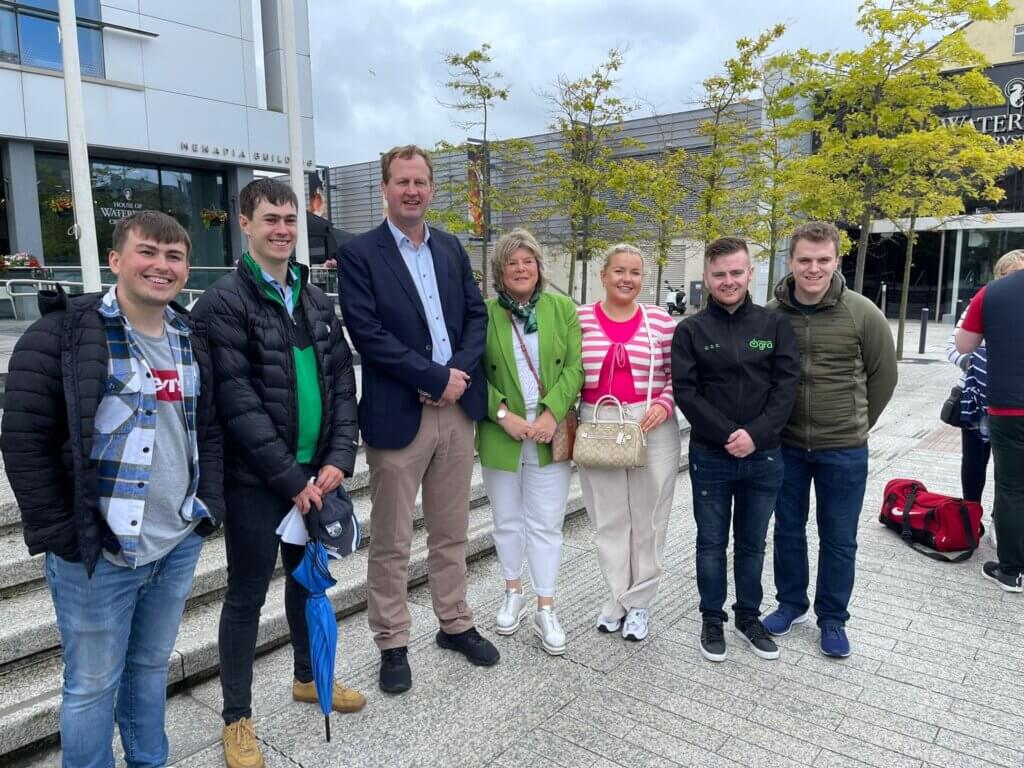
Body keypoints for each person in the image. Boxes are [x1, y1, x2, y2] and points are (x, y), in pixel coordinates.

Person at [0, 211, 224, 768]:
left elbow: (210, 429)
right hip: (98, 554)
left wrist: (206, 509)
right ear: (116, 261)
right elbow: (24, 440)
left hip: (174, 540)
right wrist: (64, 536)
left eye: (174, 256)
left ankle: (150, 761)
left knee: (150, 669)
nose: (161, 265)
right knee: (92, 685)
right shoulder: (63, 334)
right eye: (147, 252)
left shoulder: (188, 335)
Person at [192, 178, 364, 768]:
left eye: (290, 219)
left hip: (317, 475)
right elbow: (235, 405)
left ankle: (307, 677)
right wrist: (291, 481)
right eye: (271, 219)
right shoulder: (221, 304)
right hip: (257, 483)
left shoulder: (316, 301)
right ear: (245, 223)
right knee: (244, 596)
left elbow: (343, 383)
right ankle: (236, 719)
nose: (283, 229)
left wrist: (339, 458)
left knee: (306, 582)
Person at [338, 145, 495, 694]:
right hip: (399, 413)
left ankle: (454, 622)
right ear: (385, 188)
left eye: (420, 181)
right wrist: (430, 377)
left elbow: (477, 317)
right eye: (401, 181)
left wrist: (452, 374)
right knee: (392, 538)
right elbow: (367, 332)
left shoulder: (450, 247)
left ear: (431, 189)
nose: (412, 190)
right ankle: (392, 639)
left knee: (451, 529)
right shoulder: (359, 254)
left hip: (456, 410)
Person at [764, 221, 897, 658]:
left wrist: (857, 423)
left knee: (839, 538)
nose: (814, 269)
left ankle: (833, 618)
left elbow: (883, 376)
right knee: (788, 530)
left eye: (823, 260)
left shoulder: (862, 313)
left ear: (836, 261)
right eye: (805, 260)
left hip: (843, 449)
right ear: (791, 261)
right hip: (786, 447)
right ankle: (790, 603)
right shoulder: (771, 314)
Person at [672, 237, 800, 663]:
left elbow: (786, 387)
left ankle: (748, 616)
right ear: (706, 277)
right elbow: (687, 393)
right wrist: (730, 434)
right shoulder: (690, 330)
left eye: (736, 272)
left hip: (764, 457)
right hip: (711, 455)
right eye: (719, 273)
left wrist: (757, 435)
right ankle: (712, 618)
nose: (728, 281)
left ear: (749, 273)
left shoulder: (774, 326)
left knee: (752, 543)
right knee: (710, 543)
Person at [478, 229, 584, 655]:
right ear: (500, 272)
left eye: (528, 261)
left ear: (539, 267)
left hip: (547, 435)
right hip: (501, 433)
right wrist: (503, 414)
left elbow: (574, 369)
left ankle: (546, 605)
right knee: (505, 520)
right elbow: (473, 372)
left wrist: (548, 414)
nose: (521, 269)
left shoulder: (562, 309)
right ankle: (512, 591)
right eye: (511, 263)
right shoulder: (484, 313)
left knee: (546, 524)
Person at [577, 244, 679, 642]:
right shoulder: (580, 319)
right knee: (609, 518)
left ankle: (640, 603)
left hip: (650, 423)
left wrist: (664, 404)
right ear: (603, 274)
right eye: (619, 270)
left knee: (650, 517)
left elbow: (677, 374)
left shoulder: (660, 321)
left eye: (635, 272)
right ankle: (617, 596)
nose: (627, 279)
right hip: (598, 420)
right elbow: (566, 368)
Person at [955, 250, 1024, 594]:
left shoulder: (993, 293)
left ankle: (1012, 570)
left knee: (1012, 487)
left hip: (1009, 407)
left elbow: (963, 343)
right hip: (998, 405)